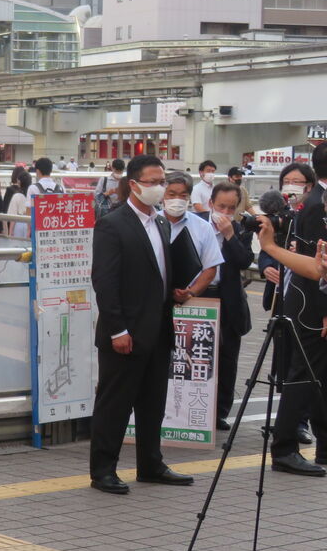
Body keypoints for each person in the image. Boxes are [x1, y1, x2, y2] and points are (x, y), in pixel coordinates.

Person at [88, 154, 194, 495]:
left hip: (159, 328)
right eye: (153, 182)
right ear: (133, 184)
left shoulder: (161, 222)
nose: (160, 188)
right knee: (115, 404)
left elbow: (158, 272)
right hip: (125, 333)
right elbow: (105, 282)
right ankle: (103, 470)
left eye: (162, 181)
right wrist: (117, 330)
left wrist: (175, 291)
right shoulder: (113, 224)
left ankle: (151, 464)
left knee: (153, 403)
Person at [263, 151, 327, 475]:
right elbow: (316, 267)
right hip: (311, 305)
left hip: (310, 301)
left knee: (318, 377)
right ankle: (284, 447)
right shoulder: (317, 204)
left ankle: (322, 445)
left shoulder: (313, 200)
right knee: (304, 375)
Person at [196, 181, 255, 430]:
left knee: (227, 357)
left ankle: (220, 411)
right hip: (198, 295)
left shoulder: (240, 229)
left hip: (228, 298)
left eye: (231, 208)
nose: (226, 212)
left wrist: (230, 235)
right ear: (211, 203)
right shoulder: (195, 223)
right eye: (222, 206)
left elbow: (244, 260)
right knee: (196, 354)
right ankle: (193, 408)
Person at [160, 172, 221, 309]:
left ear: (189, 197)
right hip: (155, 300)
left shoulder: (203, 227)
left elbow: (211, 267)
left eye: (183, 195)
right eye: (171, 194)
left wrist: (190, 292)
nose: (177, 199)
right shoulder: (150, 223)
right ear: (162, 195)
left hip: (190, 304)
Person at [6, 168, 31, 239]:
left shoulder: (16, 196)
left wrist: (10, 232)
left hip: (18, 223)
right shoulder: (32, 196)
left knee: (17, 244)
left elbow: (13, 216)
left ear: (19, 182)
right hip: (30, 223)